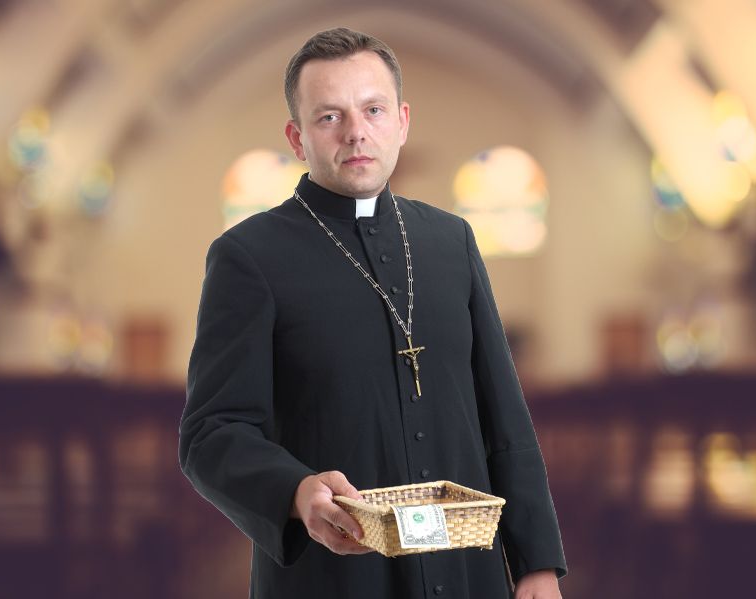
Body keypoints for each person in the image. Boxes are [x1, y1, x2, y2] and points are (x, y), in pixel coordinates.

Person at [179, 27, 567, 599]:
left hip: (465, 568)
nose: (357, 132)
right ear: (297, 136)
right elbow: (210, 434)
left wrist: (536, 563)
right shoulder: (248, 257)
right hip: (335, 574)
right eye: (329, 117)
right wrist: (295, 490)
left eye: (373, 110)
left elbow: (503, 415)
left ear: (402, 122)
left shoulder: (450, 241)